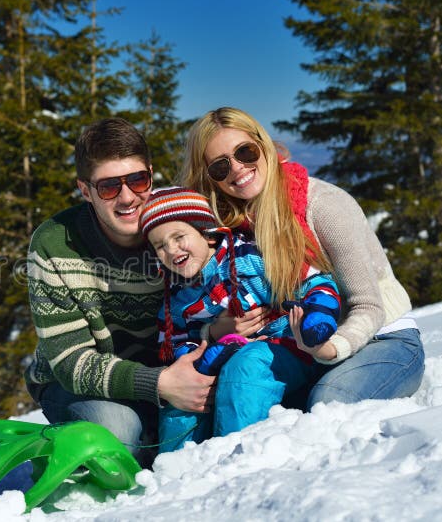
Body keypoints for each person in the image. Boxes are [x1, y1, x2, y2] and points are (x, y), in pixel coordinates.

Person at [178, 107, 425, 410]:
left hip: (382, 339)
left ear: (263, 145)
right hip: (302, 351)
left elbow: (368, 306)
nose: (238, 169)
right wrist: (216, 331)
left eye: (245, 152)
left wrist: (329, 348)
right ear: (210, 178)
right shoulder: (229, 229)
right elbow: (194, 308)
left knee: (328, 403)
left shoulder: (322, 206)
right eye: (220, 166)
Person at [24, 118, 216, 467]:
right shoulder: (54, 244)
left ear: (151, 175)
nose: (128, 198)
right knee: (119, 434)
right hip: (80, 383)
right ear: (86, 191)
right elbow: (70, 363)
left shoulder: (176, 229)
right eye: (110, 187)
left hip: (170, 371)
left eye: (138, 180)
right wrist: (159, 384)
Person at [139, 186, 341, 452]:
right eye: (160, 246)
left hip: (284, 348)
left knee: (246, 364)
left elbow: (313, 280)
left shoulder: (249, 257)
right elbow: (174, 342)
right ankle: (174, 469)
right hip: (220, 359)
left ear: (208, 235)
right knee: (183, 391)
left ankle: (234, 457)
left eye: (179, 237)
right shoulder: (176, 297)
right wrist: (198, 357)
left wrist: (317, 315)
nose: (171, 250)